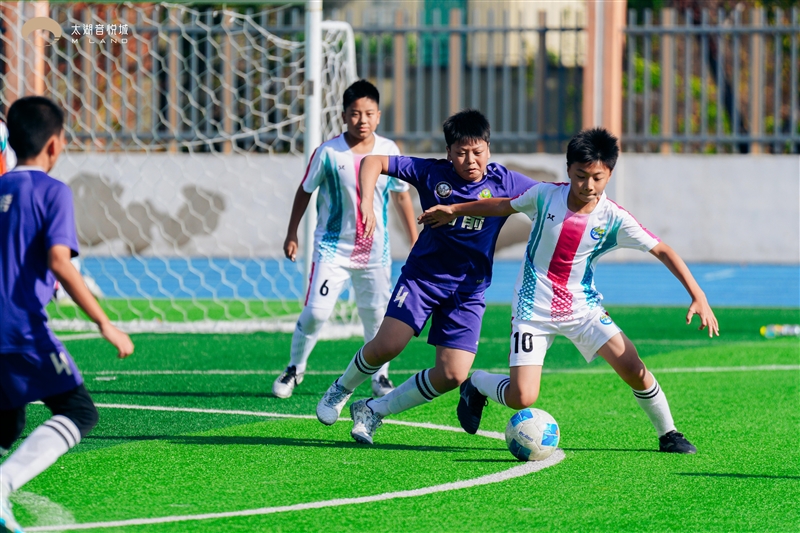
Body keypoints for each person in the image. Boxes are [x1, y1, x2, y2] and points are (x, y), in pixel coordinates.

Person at [419, 127, 719, 454]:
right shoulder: (544, 195)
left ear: (609, 174)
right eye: (580, 176)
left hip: (583, 310)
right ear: (568, 170)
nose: (588, 185)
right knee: (522, 397)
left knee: (634, 368)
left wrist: (698, 295)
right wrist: (454, 210)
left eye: (597, 178)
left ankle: (668, 433)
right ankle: (477, 383)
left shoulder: (614, 218)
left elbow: (662, 250)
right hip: (532, 310)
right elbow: (502, 206)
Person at [316, 109, 537, 444]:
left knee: (452, 373)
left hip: (468, 290)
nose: (470, 160)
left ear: (488, 149)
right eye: (461, 153)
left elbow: (551, 196)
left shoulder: (505, 182)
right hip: (423, 279)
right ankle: (340, 388)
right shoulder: (432, 173)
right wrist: (366, 204)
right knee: (388, 346)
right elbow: (373, 161)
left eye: (477, 152)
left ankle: (373, 410)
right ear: (448, 152)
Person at [0, 96, 134, 533]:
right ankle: (2, 484)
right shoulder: (52, 191)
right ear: (55, 145)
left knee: (8, 422)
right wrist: (104, 323)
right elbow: (60, 261)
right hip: (21, 328)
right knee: (79, 412)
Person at [276, 80, 418, 400]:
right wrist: (292, 232)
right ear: (343, 116)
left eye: (368, 113)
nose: (362, 120)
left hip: (375, 252)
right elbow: (305, 190)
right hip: (332, 249)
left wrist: (414, 239)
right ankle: (295, 367)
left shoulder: (388, 151)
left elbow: (401, 196)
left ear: (378, 116)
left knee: (377, 317)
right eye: (355, 113)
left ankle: (380, 376)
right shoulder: (328, 152)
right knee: (316, 313)